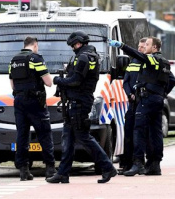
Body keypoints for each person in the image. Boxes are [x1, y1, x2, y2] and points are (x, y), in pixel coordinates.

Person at [46, 31, 117, 184]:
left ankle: (107, 167)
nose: (73, 48)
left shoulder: (84, 57)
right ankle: (63, 173)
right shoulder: (90, 56)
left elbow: (76, 81)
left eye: (74, 45)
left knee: (83, 137)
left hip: (79, 102)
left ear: (79, 43)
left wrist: (59, 80)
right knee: (68, 138)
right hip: (76, 101)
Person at [109, 36, 175, 176]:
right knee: (155, 132)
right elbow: (170, 80)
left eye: (148, 44)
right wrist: (162, 93)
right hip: (156, 100)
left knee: (138, 130)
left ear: (155, 48)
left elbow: (137, 55)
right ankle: (154, 165)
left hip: (146, 100)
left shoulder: (153, 59)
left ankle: (138, 163)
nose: (145, 47)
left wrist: (122, 45)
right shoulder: (164, 62)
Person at [9, 36, 57, 181]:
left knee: (22, 135)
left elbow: (12, 85)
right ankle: (50, 168)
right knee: (44, 133)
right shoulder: (36, 59)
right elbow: (48, 82)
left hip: (18, 101)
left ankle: (23, 170)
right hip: (35, 101)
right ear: (35, 45)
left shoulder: (14, 60)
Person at [118, 37, 147, 175]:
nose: (140, 49)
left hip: (143, 102)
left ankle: (141, 162)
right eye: (139, 47)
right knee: (128, 131)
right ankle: (127, 162)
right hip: (132, 102)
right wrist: (130, 94)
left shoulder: (147, 62)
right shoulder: (132, 62)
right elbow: (126, 81)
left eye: (143, 47)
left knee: (141, 133)